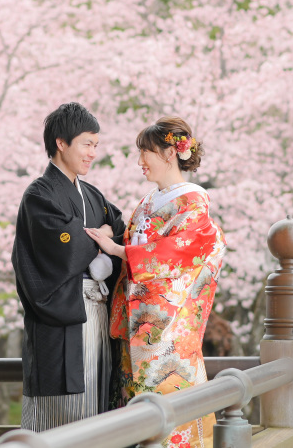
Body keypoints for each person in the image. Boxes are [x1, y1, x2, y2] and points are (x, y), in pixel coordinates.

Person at [87, 116, 226, 448]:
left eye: (145, 152)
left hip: (166, 327)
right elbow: (137, 240)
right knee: (133, 407)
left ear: (169, 153)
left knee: (167, 404)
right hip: (138, 320)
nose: (139, 162)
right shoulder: (152, 200)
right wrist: (113, 235)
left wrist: (119, 249)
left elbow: (178, 254)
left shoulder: (193, 202)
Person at [11, 102, 126, 432]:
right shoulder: (40, 194)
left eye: (96, 145)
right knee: (59, 417)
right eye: (87, 144)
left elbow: (118, 231)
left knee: (95, 407)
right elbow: (66, 249)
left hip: (96, 311)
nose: (93, 153)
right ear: (61, 142)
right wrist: (99, 239)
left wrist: (104, 241)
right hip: (62, 317)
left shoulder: (92, 195)